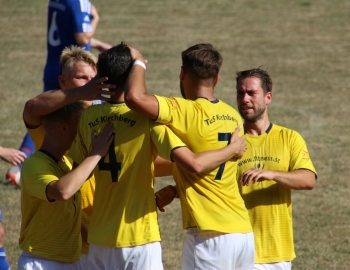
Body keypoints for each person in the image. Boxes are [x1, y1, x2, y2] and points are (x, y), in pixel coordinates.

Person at [68, 42, 247, 270]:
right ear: (133, 76)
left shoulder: (87, 118)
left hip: (99, 235)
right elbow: (190, 161)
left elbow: (78, 171)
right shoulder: (148, 119)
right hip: (139, 235)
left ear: (102, 77)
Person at [124, 43, 255, 270]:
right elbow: (214, 173)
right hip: (242, 232)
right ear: (217, 79)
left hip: (209, 235)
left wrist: (138, 61)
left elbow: (134, 98)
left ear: (183, 73)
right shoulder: (233, 116)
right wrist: (176, 190)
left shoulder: (183, 110)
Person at [20, 45, 111, 265]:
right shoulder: (54, 122)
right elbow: (31, 107)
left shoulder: (105, 119)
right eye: (82, 78)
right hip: (65, 243)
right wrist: (80, 94)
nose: (90, 83)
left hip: (99, 236)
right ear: (63, 82)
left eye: (93, 77)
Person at [6, 0, 112, 184]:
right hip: (71, 69)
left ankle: (19, 164)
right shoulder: (80, 3)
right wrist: (95, 19)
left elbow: (63, 32)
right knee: (51, 116)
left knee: (48, 116)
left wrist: (99, 44)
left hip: (56, 65)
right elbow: (82, 38)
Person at [236, 68, 317, 270]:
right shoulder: (231, 141)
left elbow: (308, 180)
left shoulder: (289, 138)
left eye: (251, 93)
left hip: (275, 253)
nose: (244, 99)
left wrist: (271, 174)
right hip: (236, 249)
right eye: (240, 93)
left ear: (268, 97)